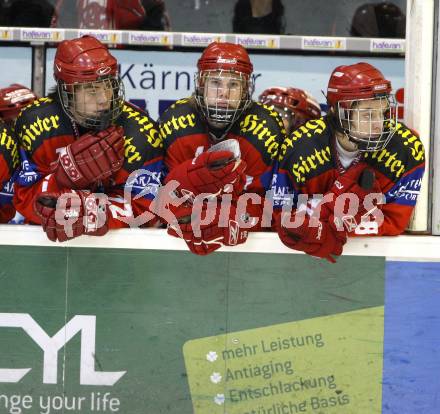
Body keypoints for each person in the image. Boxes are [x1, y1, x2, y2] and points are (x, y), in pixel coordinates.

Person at [13, 35, 164, 242]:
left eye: (108, 86)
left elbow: (146, 207)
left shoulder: (140, 131)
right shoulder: (36, 124)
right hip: (47, 242)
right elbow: (23, 197)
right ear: (68, 91)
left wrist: (94, 212)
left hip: (114, 246)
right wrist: (60, 179)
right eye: (91, 90)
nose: (103, 99)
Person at [273, 62, 425, 262]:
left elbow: (394, 221)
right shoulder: (300, 146)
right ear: (338, 111)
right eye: (368, 114)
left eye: (383, 112)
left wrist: (330, 221)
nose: (379, 124)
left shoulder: (407, 149)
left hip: (373, 265)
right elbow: (280, 215)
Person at [159, 41, 286, 255]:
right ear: (201, 85)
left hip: (247, 250)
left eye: (233, 85)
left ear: (246, 88)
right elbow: (163, 195)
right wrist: (183, 213)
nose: (224, 93)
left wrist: (240, 217)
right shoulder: (175, 121)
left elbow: (272, 202)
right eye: (216, 83)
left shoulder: (266, 128)